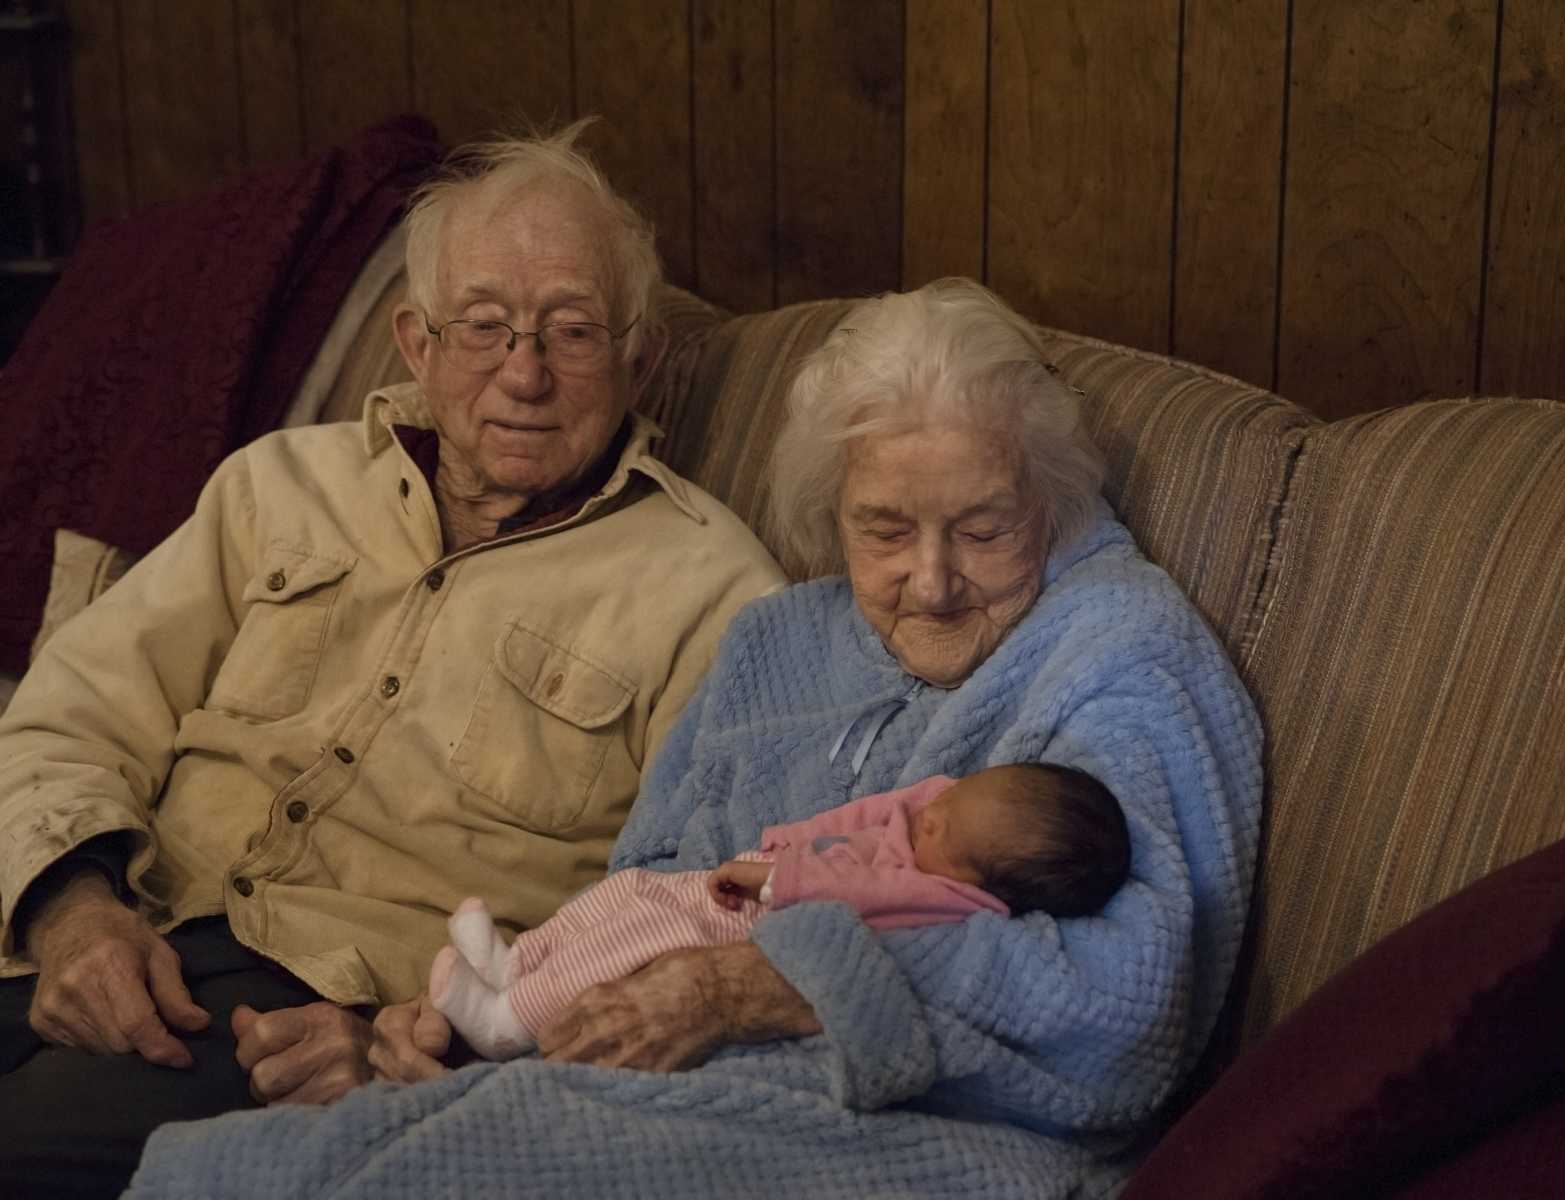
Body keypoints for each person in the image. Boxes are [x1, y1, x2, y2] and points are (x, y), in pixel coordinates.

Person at [126, 277, 1263, 1200]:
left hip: (918, 1133)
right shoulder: (778, 641)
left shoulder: (1122, 660)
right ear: (829, 513)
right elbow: (644, 888)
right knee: (256, 1163)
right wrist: (508, 1011)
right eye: (881, 529)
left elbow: (1125, 1011)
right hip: (653, 1081)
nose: (930, 580)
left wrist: (755, 989)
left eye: (982, 527)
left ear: (1050, 497)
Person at [0, 119, 783, 1197]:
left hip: (301, 1027)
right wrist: (71, 912)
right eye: (484, 327)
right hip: (103, 920)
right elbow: (71, 709)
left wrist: (416, 1046)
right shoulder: (277, 485)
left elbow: (705, 908)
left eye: (571, 331)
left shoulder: (715, 595)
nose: (524, 373)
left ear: (639, 359)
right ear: (416, 343)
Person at [432, 763, 1130, 1059]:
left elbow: (854, 894)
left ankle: (510, 1021)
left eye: (939, 831)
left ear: (984, 886)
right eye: (945, 804)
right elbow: (895, 807)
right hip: (732, 886)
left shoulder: (947, 898)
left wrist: (775, 876)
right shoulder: (951, 815)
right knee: (630, 889)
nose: (928, 814)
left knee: (641, 946)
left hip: (756, 927)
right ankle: (516, 960)